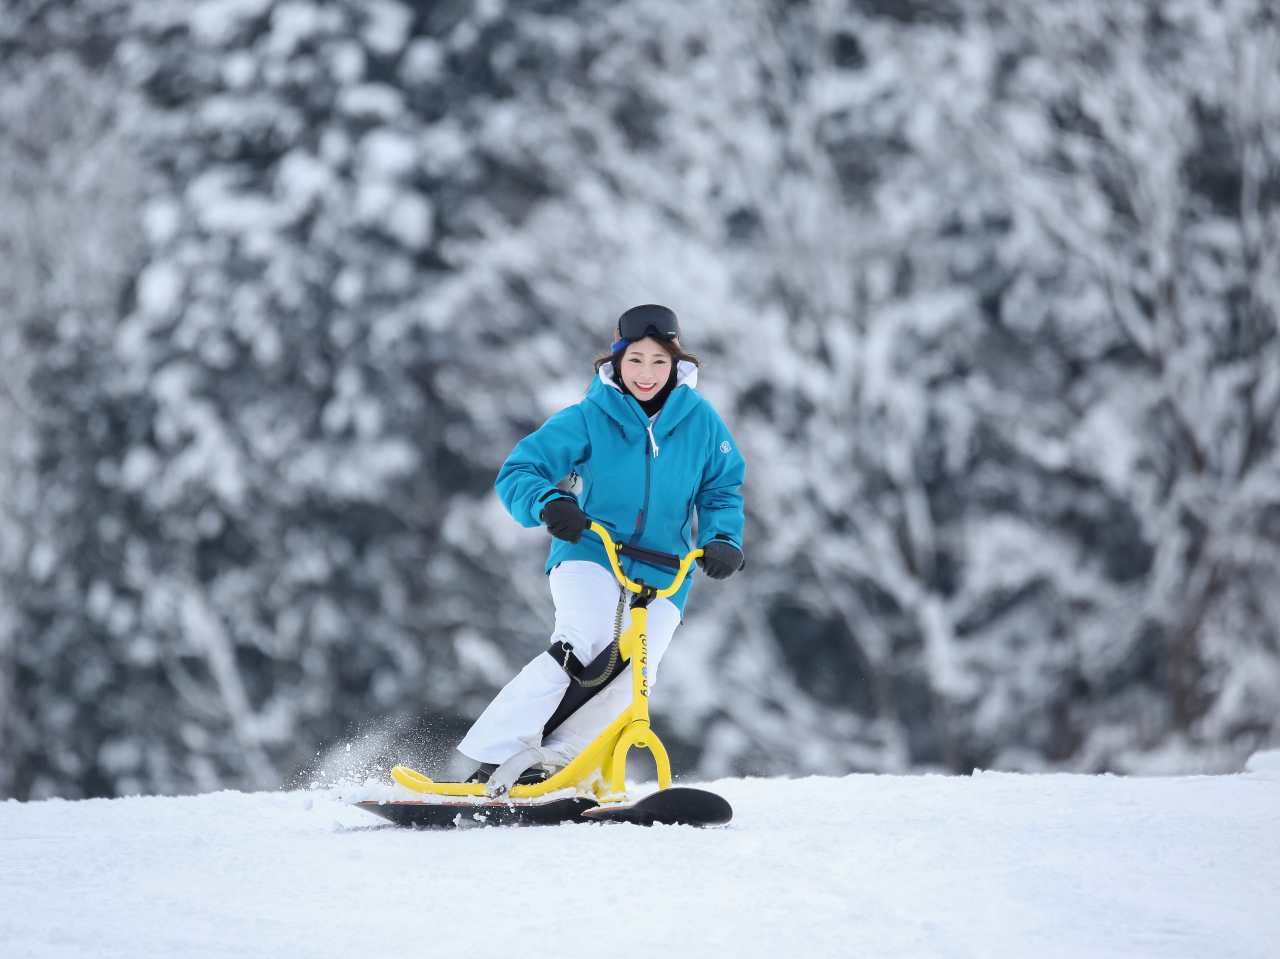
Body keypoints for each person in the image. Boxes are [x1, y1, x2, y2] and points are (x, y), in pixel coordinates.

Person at [456, 304, 746, 784]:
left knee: (637, 674)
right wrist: (550, 502)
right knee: (584, 642)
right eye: (635, 360)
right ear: (616, 360)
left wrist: (721, 538)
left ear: (676, 363)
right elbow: (520, 470)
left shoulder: (702, 422)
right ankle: (497, 754)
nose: (646, 374)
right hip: (594, 552)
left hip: (667, 568)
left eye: (658, 361)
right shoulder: (592, 416)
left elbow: (720, 487)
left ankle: (559, 764)